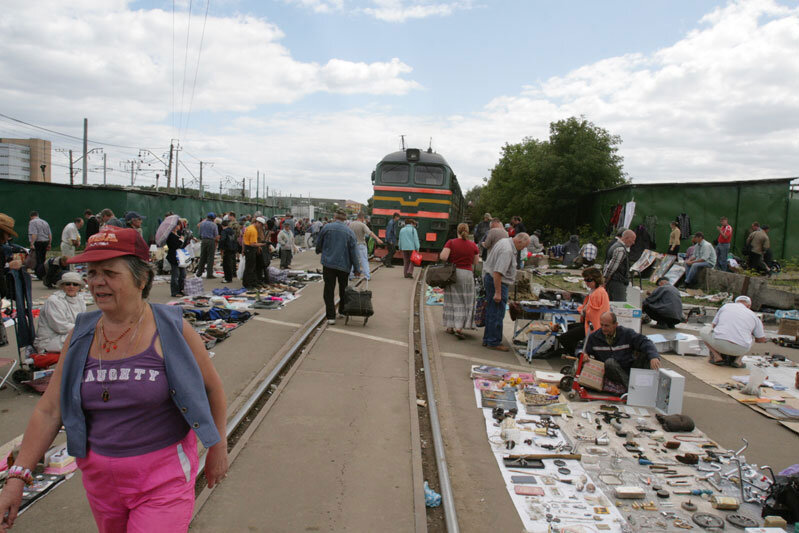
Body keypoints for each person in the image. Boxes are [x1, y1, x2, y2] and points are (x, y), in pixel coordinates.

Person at [0, 226, 228, 533]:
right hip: (101, 484)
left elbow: (213, 389)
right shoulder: (80, 333)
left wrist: (218, 446)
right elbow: (49, 410)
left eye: (109, 272)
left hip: (163, 481)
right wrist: (17, 477)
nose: (96, 282)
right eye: (92, 273)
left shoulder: (173, 328)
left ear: (142, 278)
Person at [584, 311, 661, 389]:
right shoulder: (594, 337)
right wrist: (583, 353)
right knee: (609, 363)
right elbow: (581, 347)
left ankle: (645, 386)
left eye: (607, 326)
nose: (603, 328)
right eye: (602, 325)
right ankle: (631, 389)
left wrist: (653, 356)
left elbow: (644, 341)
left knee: (647, 355)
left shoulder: (627, 333)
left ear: (615, 325)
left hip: (629, 368)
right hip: (612, 373)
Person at [482, 233, 531, 351]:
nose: (524, 249)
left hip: (491, 280)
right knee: (497, 312)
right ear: (519, 241)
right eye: (524, 246)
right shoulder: (507, 251)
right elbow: (498, 272)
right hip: (498, 283)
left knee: (491, 311)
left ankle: (488, 339)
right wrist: (498, 292)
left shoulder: (504, 242)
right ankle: (494, 341)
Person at [315, 210, 361, 324]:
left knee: (329, 290)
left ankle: (330, 317)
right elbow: (354, 253)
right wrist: (357, 269)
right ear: (345, 219)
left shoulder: (327, 228)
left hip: (328, 264)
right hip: (344, 266)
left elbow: (319, 242)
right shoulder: (350, 232)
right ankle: (342, 311)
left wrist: (319, 250)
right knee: (343, 289)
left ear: (335, 217)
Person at [555, 267, 609, 358]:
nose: (586, 282)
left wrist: (583, 311)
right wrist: (582, 309)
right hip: (588, 324)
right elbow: (586, 308)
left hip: (593, 327)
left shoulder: (598, 293)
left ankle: (577, 356)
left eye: (589, 280)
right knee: (565, 328)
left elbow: (590, 313)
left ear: (596, 279)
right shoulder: (596, 291)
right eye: (585, 280)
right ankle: (570, 351)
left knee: (564, 338)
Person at [702, 296, 766, 368]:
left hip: (719, 344)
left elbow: (713, 325)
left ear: (736, 302)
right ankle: (738, 361)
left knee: (704, 330)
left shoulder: (726, 306)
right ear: (749, 306)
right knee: (751, 338)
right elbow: (761, 339)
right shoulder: (754, 316)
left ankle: (717, 357)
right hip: (741, 349)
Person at [440, 223, 479, 339]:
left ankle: (451, 327)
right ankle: (460, 327)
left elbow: (443, 257)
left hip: (454, 274)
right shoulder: (473, 245)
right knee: (465, 301)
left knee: (452, 300)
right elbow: (476, 262)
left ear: (457, 231)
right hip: (467, 275)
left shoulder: (451, 243)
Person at [34, 271, 87, 353]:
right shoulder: (54, 301)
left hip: (68, 335)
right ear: (62, 286)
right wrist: (85, 329)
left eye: (75, 284)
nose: (71, 287)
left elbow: (82, 321)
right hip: (50, 340)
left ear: (79, 287)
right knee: (86, 339)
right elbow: (61, 327)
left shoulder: (80, 300)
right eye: (68, 284)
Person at [603, 229, 636, 302]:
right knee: (619, 305)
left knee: (611, 303)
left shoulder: (615, 245)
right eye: (632, 240)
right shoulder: (620, 249)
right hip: (617, 281)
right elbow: (612, 267)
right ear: (626, 238)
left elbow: (607, 264)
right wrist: (605, 280)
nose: (633, 243)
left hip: (613, 280)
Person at [349, 212, 383, 281]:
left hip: (352, 245)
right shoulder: (362, 225)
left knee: (352, 260)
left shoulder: (351, 224)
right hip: (361, 245)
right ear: (362, 218)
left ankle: (351, 275)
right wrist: (377, 239)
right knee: (364, 260)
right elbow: (370, 233)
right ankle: (367, 276)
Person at [166, 219, 191, 297]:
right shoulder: (170, 235)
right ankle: (174, 292)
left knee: (183, 274)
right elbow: (175, 245)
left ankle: (181, 289)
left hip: (181, 256)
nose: (179, 226)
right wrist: (181, 240)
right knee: (175, 275)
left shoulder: (179, 233)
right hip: (174, 256)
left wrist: (186, 239)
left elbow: (182, 245)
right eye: (178, 225)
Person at [242, 217, 267, 289]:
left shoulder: (249, 227)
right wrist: (262, 244)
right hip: (250, 249)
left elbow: (244, 240)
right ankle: (248, 284)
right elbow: (253, 244)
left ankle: (251, 282)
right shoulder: (253, 231)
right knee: (250, 267)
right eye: (261, 225)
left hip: (247, 248)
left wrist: (243, 250)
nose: (261, 227)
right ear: (258, 222)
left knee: (250, 267)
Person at [28, 211, 52, 277]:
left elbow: (34, 234)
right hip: (45, 242)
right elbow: (49, 234)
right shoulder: (45, 222)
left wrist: (32, 243)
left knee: (37, 259)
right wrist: (49, 243)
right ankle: (43, 273)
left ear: (31, 216)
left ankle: (39, 274)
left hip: (38, 242)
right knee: (43, 258)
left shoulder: (32, 222)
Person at [197, 213, 219, 279]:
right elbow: (216, 234)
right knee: (210, 257)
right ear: (213, 218)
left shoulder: (202, 224)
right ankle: (209, 274)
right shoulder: (214, 225)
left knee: (202, 256)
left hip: (203, 241)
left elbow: (199, 233)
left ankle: (199, 273)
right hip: (211, 241)